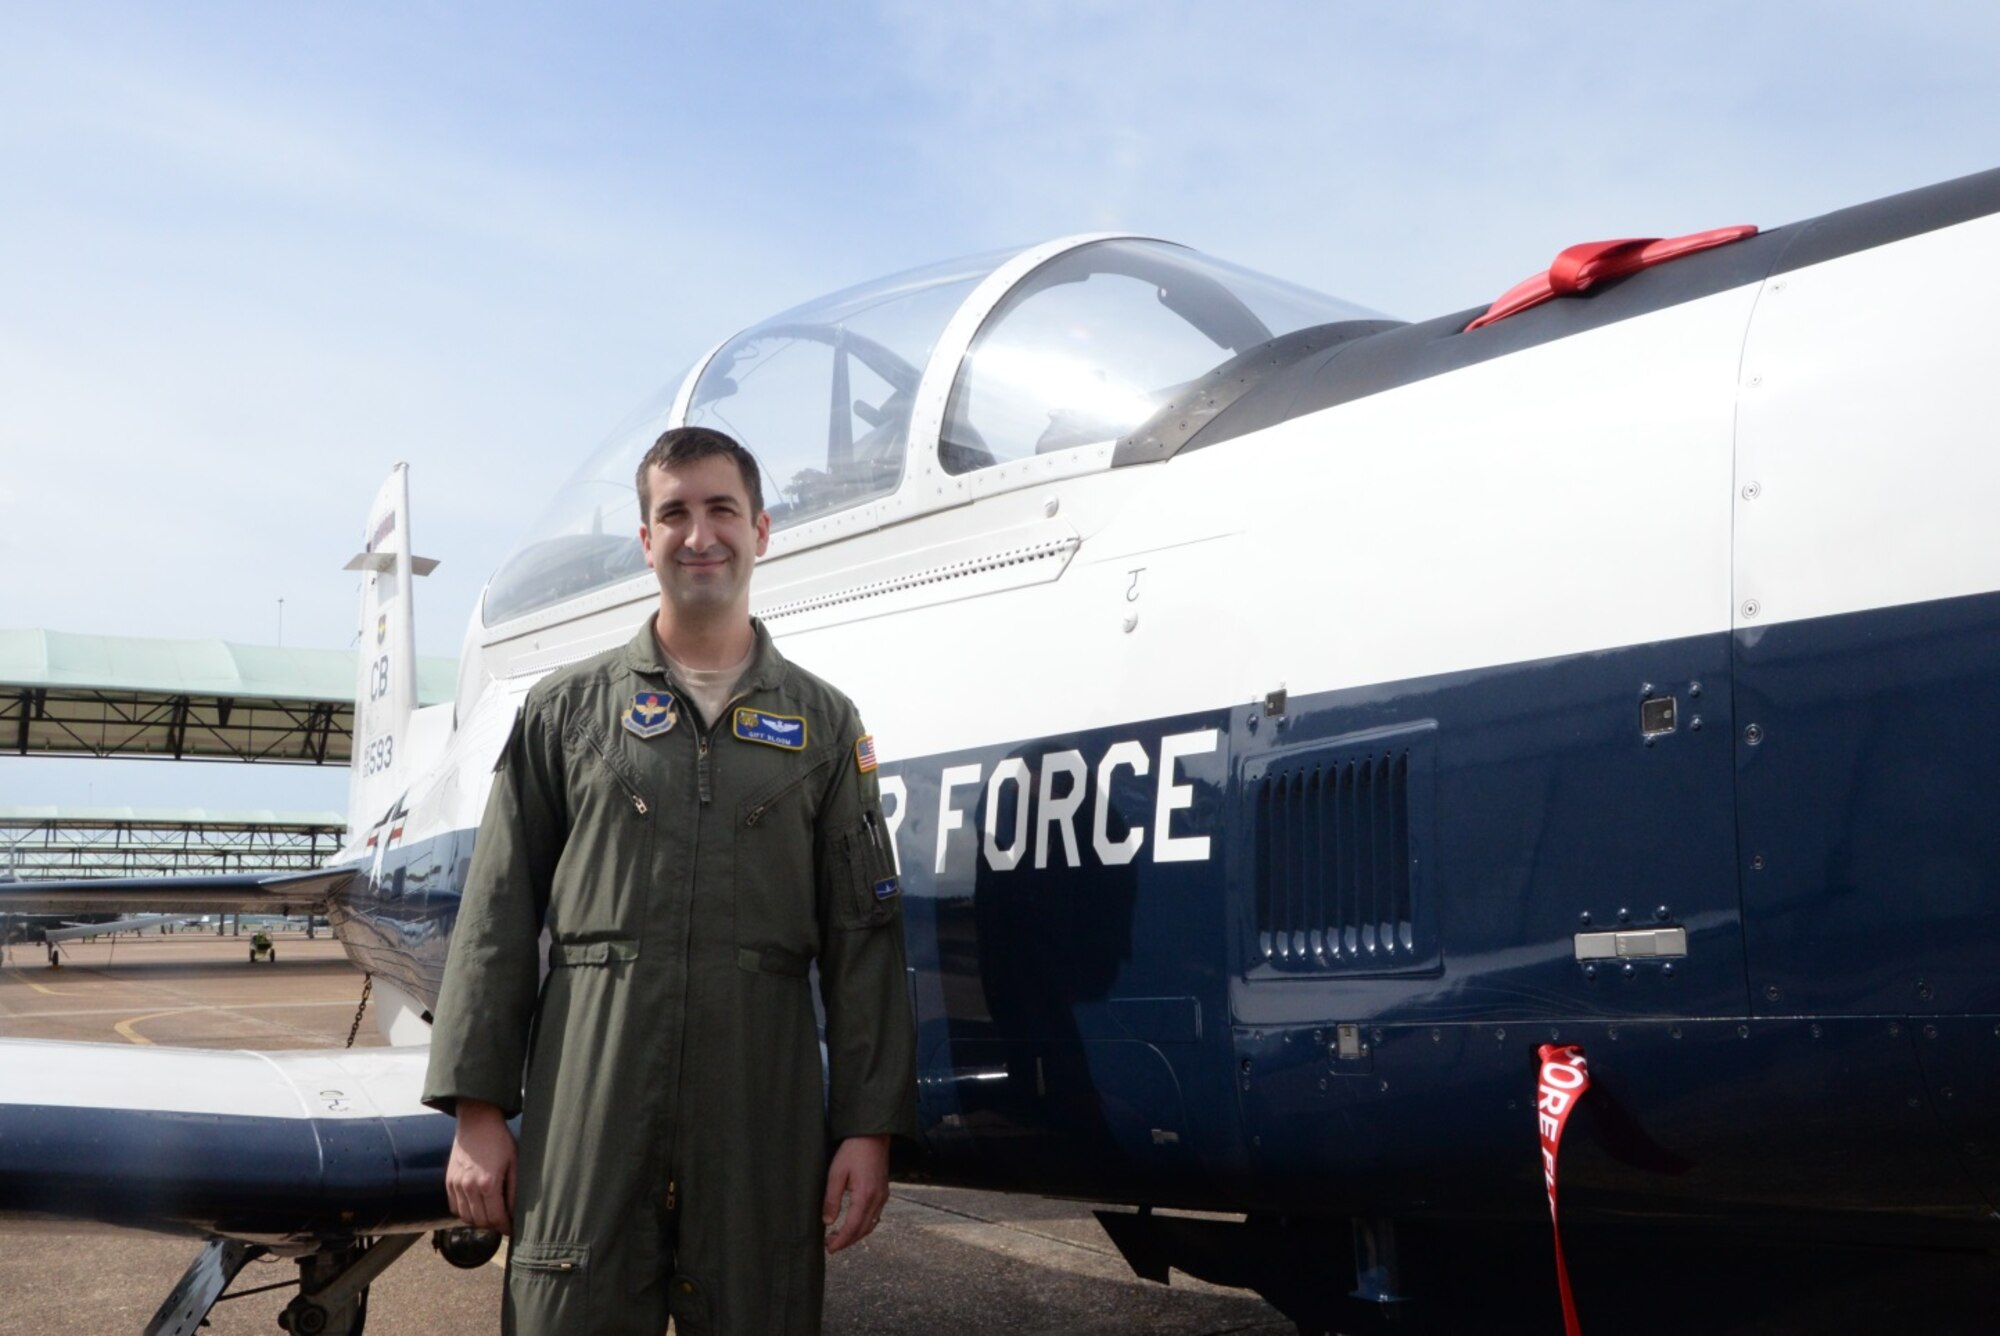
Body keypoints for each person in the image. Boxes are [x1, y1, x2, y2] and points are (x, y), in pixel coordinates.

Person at [423, 425, 917, 1334]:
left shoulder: (823, 724)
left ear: (761, 530)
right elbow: (497, 915)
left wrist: (868, 1126)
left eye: (721, 510)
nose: (701, 536)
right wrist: (478, 1111)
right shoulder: (566, 712)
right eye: (674, 514)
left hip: (758, 1113)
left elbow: (862, 940)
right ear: (646, 541)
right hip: (590, 1101)